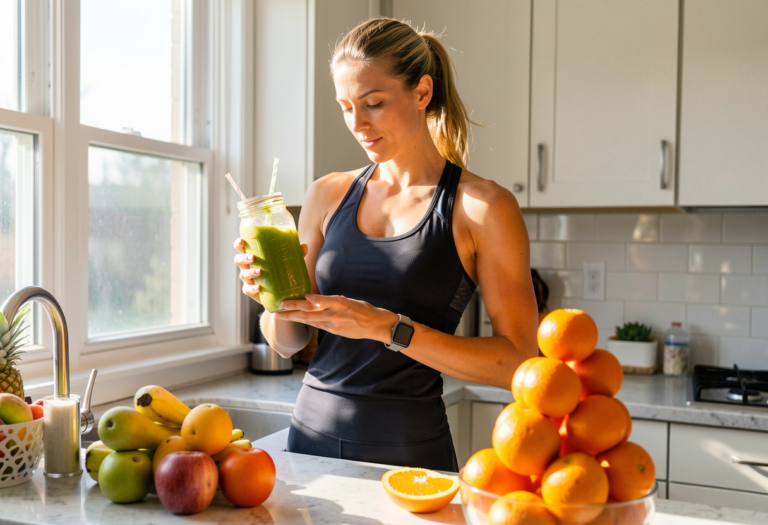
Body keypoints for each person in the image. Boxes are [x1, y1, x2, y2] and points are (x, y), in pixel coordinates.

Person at [234, 18, 538, 472]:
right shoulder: (326, 195)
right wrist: (271, 298)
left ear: (421, 92)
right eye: (345, 106)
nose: (357, 123)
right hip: (309, 444)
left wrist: (386, 327)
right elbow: (288, 344)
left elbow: (519, 363)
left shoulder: (482, 208)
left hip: (410, 456)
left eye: (373, 103)